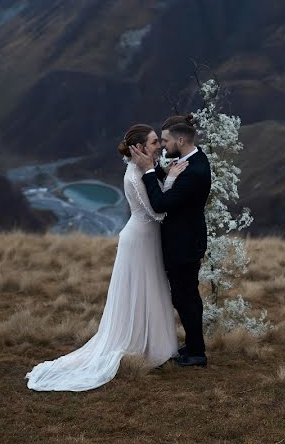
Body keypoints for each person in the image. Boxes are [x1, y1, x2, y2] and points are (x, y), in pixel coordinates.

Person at [25, 124, 188, 391]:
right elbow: (157, 212)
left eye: (159, 141)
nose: (158, 145)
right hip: (140, 240)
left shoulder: (141, 170)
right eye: (154, 141)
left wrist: (163, 173)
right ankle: (143, 345)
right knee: (141, 291)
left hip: (146, 239)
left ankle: (155, 345)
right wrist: (170, 180)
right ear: (139, 148)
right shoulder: (135, 176)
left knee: (150, 290)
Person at [130, 114, 212, 367]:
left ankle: (197, 353)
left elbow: (161, 204)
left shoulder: (193, 172)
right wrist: (166, 175)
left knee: (185, 297)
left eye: (165, 140)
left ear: (180, 139)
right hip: (185, 240)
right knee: (185, 295)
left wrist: (149, 171)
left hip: (184, 244)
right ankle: (194, 345)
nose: (163, 146)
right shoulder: (194, 160)